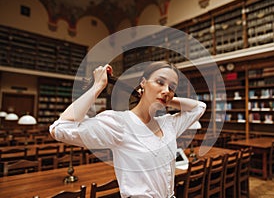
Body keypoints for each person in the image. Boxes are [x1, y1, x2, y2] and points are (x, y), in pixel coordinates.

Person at [49, 61, 206, 198]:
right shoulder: (119, 124)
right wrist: (98, 86)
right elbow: (59, 128)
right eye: (159, 82)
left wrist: (166, 100)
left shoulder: (168, 124)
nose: (166, 90)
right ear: (143, 83)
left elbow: (199, 107)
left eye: (171, 87)